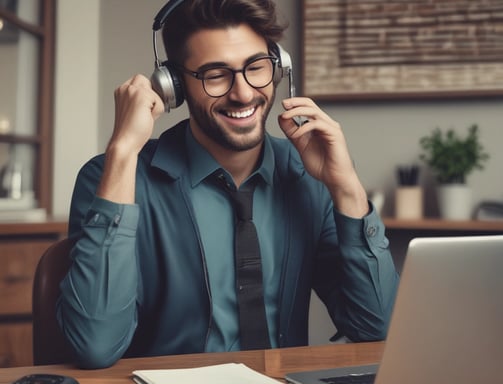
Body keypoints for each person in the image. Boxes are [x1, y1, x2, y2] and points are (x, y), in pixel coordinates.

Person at [57, 0, 399, 369]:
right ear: (175, 86)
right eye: (215, 74)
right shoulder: (114, 178)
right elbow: (95, 346)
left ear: (278, 66)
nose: (243, 93)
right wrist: (122, 151)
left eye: (256, 67)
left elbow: (377, 329)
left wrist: (346, 187)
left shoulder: (308, 177)